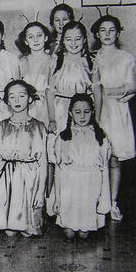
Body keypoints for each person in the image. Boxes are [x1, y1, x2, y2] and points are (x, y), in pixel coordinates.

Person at [90, 14, 136, 221]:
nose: (107, 34)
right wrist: (103, 94)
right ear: (97, 35)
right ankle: (95, 201)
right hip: (95, 110)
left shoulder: (125, 57)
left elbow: (131, 86)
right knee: (94, 157)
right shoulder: (92, 57)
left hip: (116, 112)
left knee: (114, 159)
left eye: (111, 30)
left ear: (117, 33)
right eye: (103, 30)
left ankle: (113, 203)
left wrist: (107, 91)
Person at [0, 80, 48, 237]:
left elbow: (43, 163)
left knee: (28, 232)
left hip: (30, 180)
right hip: (7, 180)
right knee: (10, 232)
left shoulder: (39, 127)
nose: (17, 100)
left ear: (29, 98)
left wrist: (41, 191)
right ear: (7, 101)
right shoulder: (0, 128)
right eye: (12, 97)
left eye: (21, 96)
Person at [50, 93, 111, 239]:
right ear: (70, 113)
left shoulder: (100, 137)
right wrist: (57, 198)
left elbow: (104, 169)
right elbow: (59, 171)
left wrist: (103, 198)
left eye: (86, 111)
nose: (82, 116)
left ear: (92, 112)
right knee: (69, 233)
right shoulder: (64, 138)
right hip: (70, 186)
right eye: (77, 112)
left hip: (91, 186)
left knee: (84, 234)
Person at [48, 21, 102, 134]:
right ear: (63, 40)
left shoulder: (91, 62)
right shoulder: (56, 61)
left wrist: (97, 117)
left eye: (77, 39)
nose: (73, 43)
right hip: (61, 110)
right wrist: (52, 118)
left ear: (84, 40)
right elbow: (50, 92)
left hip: (84, 110)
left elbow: (97, 91)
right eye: (68, 39)